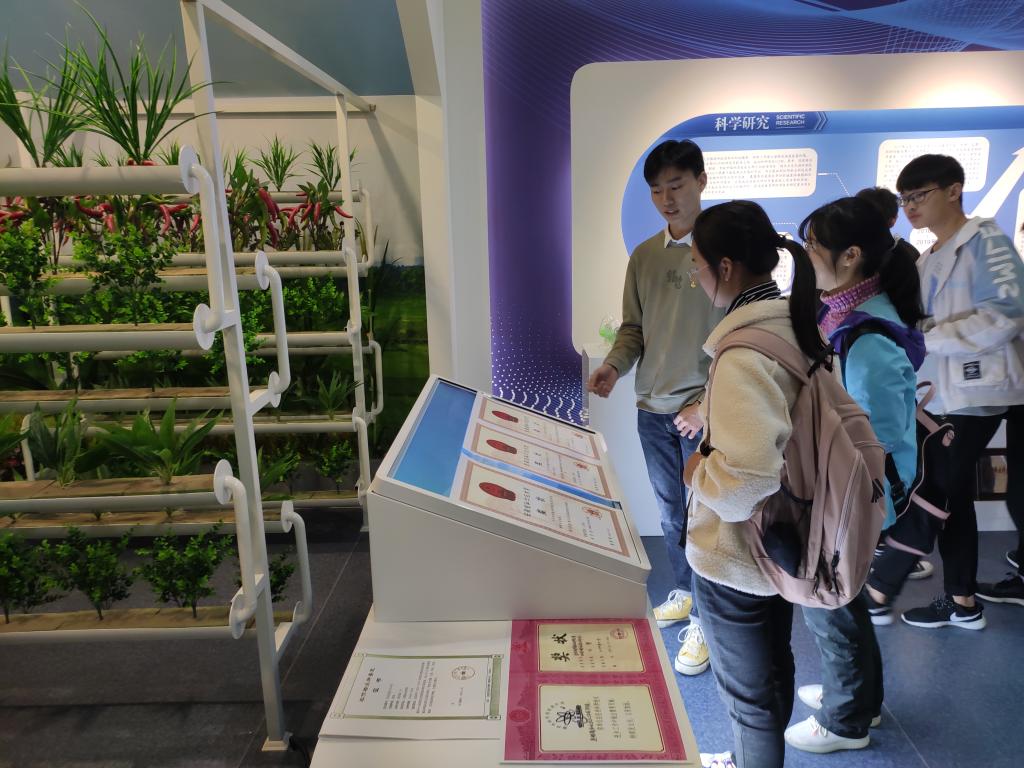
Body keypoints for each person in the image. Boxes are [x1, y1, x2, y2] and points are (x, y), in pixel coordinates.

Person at [682, 199, 827, 768]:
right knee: (771, 671)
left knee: (748, 697)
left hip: (738, 553)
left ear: (725, 267)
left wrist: (696, 472)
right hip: (784, 537)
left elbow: (744, 483)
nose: (695, 278)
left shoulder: (743, 353)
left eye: (697, 265)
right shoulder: (793, 325)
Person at [783, 197, 926, 754]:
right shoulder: (847, 316)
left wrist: (839, 509)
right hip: (845, 491)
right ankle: (863, 699)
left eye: (813, 246)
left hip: (848, 498)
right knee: (846, 600)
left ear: (851, 256)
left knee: (827, 600)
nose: (805, 256)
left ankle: (846, 721)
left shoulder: (867, 339)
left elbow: (874, 447)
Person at [586, 139, 722, 676]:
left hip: (701, 413)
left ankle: (706, 621)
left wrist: (708, 405)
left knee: (708, 517)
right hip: (652, 409)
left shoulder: (724, 250)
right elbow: (633, 329)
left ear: (701, 182)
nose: (668, 198)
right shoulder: (644, 256)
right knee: (670, 512)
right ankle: (686, 591)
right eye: (657, 190)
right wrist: (614, 367)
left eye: (677, 185)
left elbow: (742, 338)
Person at [884, 154, 1024, 630]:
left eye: (918, 195)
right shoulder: (927, 258)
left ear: (953, 190)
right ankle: (961, 601)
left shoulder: (984, 238)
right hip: (947, 397)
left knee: (939, 489)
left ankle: (885, 588)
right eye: (904, 199)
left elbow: (1007, 313)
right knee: (953, 494)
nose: (910, 206)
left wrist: (928, 338)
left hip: (984, 391)